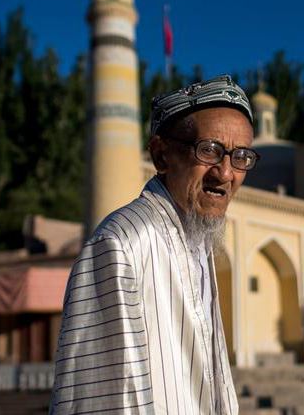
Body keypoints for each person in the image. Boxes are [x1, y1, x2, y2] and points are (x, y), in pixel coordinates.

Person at [50, 75, 257, 414]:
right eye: (209, 150)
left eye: (241, 157)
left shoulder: (197, 243)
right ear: (162, 155)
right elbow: (99, 400)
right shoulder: (121, 245)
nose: (225, 173)